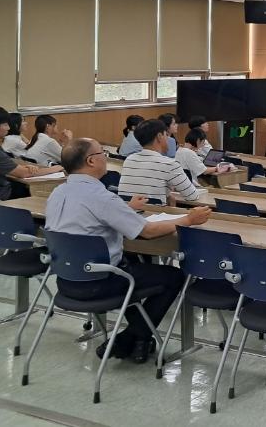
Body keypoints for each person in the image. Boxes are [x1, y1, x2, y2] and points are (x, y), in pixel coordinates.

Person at [46, 137, 211, 363]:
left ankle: (137, 340)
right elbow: (148, 232)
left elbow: (88, 215)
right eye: (102, 153)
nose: (105, 157)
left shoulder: (57, 193)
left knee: (133, 268)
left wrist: (126, 207)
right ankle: (130, 337)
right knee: (173, 276)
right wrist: (188, 219)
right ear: (91, 161)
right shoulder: (102, 198)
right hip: (100, 282)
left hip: (66, 280)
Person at [118, 119, 200, 205]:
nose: (169, 139)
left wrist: (167, 194)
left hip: (129, 211)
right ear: (159, 136)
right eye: (166, 135)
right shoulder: (169, 164)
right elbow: (192, 196)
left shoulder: (129, 160)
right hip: (155, 213)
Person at [0, 111, 61, 200]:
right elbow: (24, 173)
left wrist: (23, 166)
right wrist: (57, 168)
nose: (8, 128)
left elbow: (7, 164)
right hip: (3, 194)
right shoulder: (48, 140)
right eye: (5, 125)